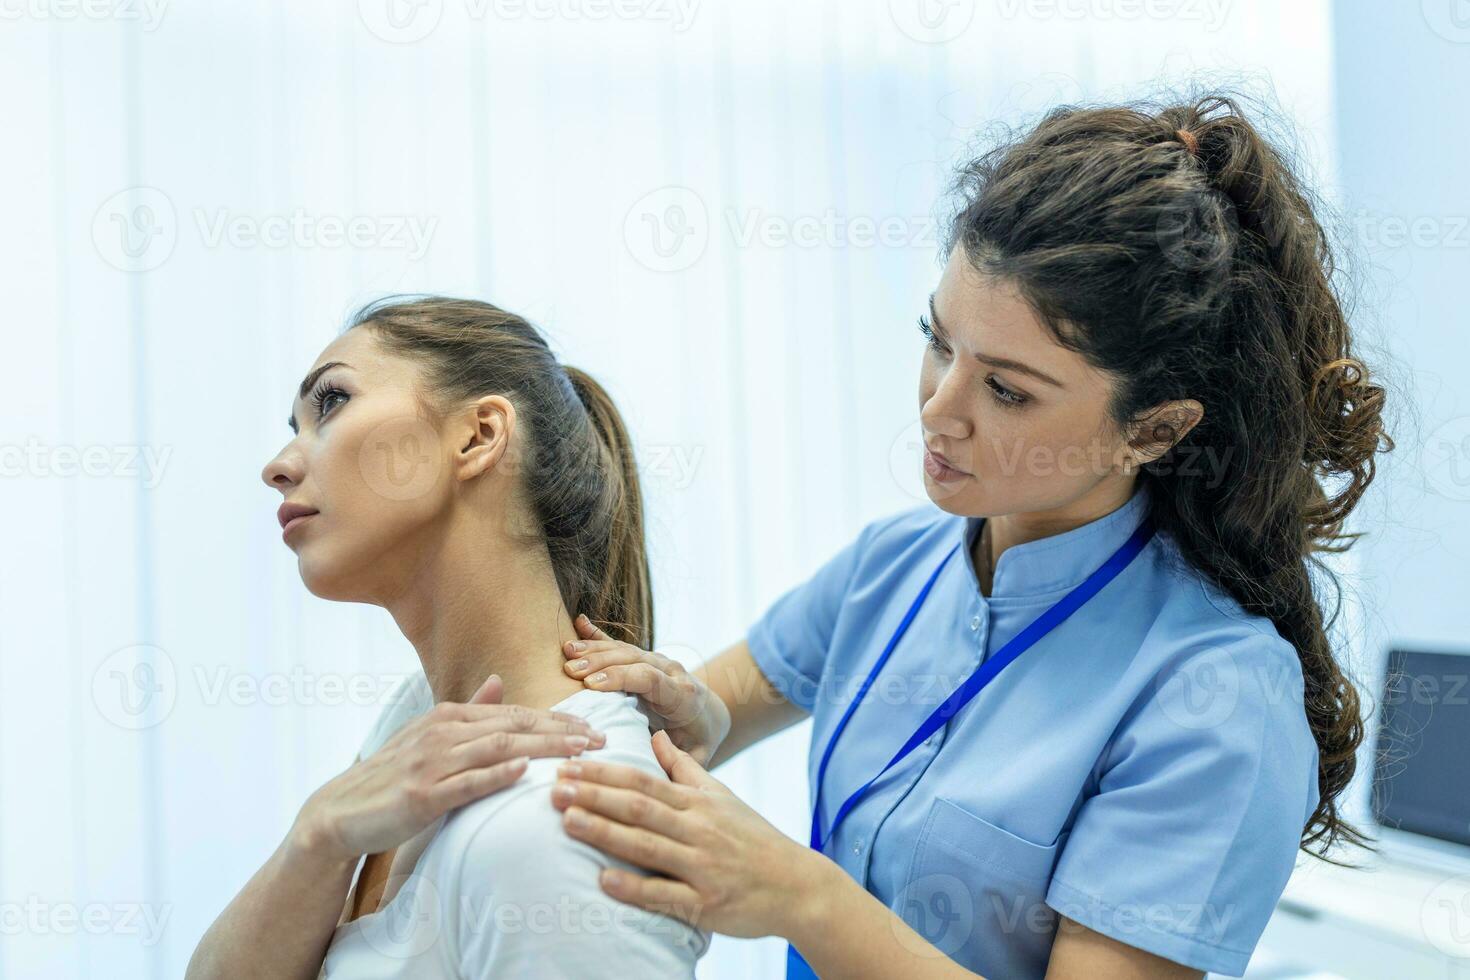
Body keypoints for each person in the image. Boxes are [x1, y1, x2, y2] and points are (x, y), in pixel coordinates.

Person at [546, 93, 1392, 979]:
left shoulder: (1218, 693)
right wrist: (687, 718)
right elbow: (699, 718)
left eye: (1009, 391)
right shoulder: (893, 566)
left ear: (1153, 430)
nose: (938, 412)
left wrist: (802, 899)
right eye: (938, 342)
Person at [188, 297, 708, 979]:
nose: (279, 465)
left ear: (478, 436)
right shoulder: (416, 728)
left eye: (332, 402)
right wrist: (313, 840)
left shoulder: (561, 820)